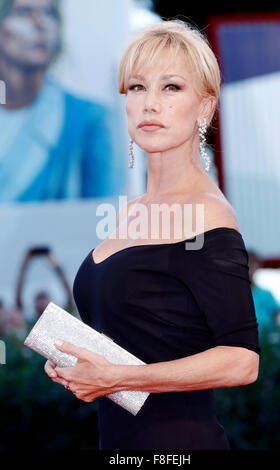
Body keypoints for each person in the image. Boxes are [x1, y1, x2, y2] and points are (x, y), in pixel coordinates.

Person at [44, 19, 260, 450]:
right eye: (138, 87)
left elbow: (241, 361)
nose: (150, 103)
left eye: (172, 87)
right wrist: (78, 360)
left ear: (204, 107)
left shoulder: (206, 213)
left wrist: (118, 377)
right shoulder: (131, 214)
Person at [0, 0, 121, 202]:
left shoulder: (90, 120)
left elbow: (105, 219)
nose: (40, 23)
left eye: (48, 13)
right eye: (23, 12)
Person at [248, 250, 280, 333]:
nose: (249, 267)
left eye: (252, 263)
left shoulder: (266, 295)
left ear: (258, 266)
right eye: (246, 262)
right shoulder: (232, 295)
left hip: (265, 342)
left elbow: (276, 322)